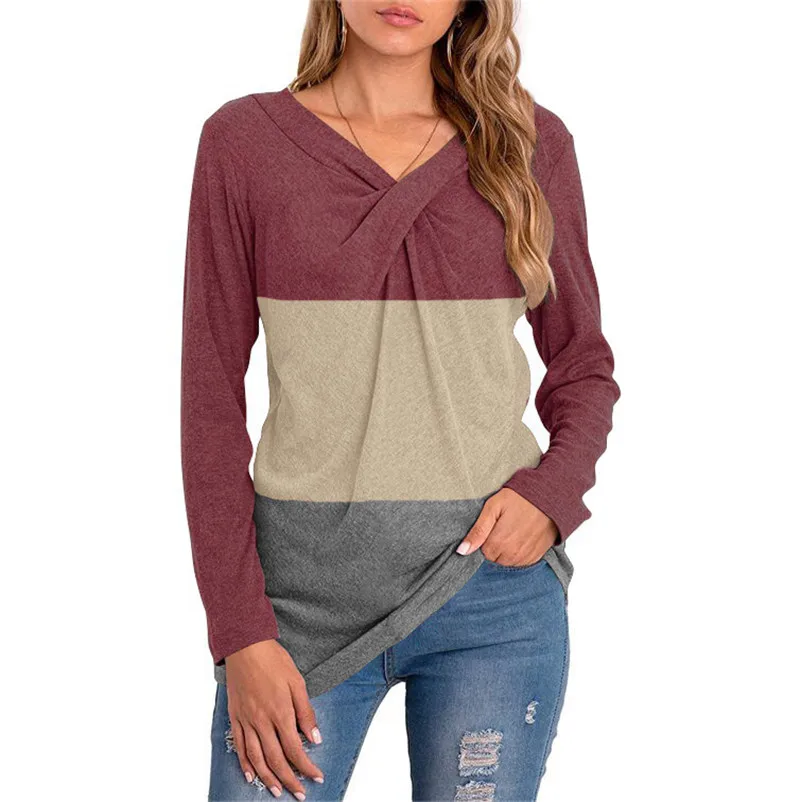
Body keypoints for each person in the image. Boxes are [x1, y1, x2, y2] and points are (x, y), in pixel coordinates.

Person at [180, 1, 620, 799]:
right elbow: (209, 402)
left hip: (490, 598)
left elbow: (583, 363)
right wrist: (238, 631)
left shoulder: (528, 144)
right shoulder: (244, 145)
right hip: (295, 612)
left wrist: (551, 496)